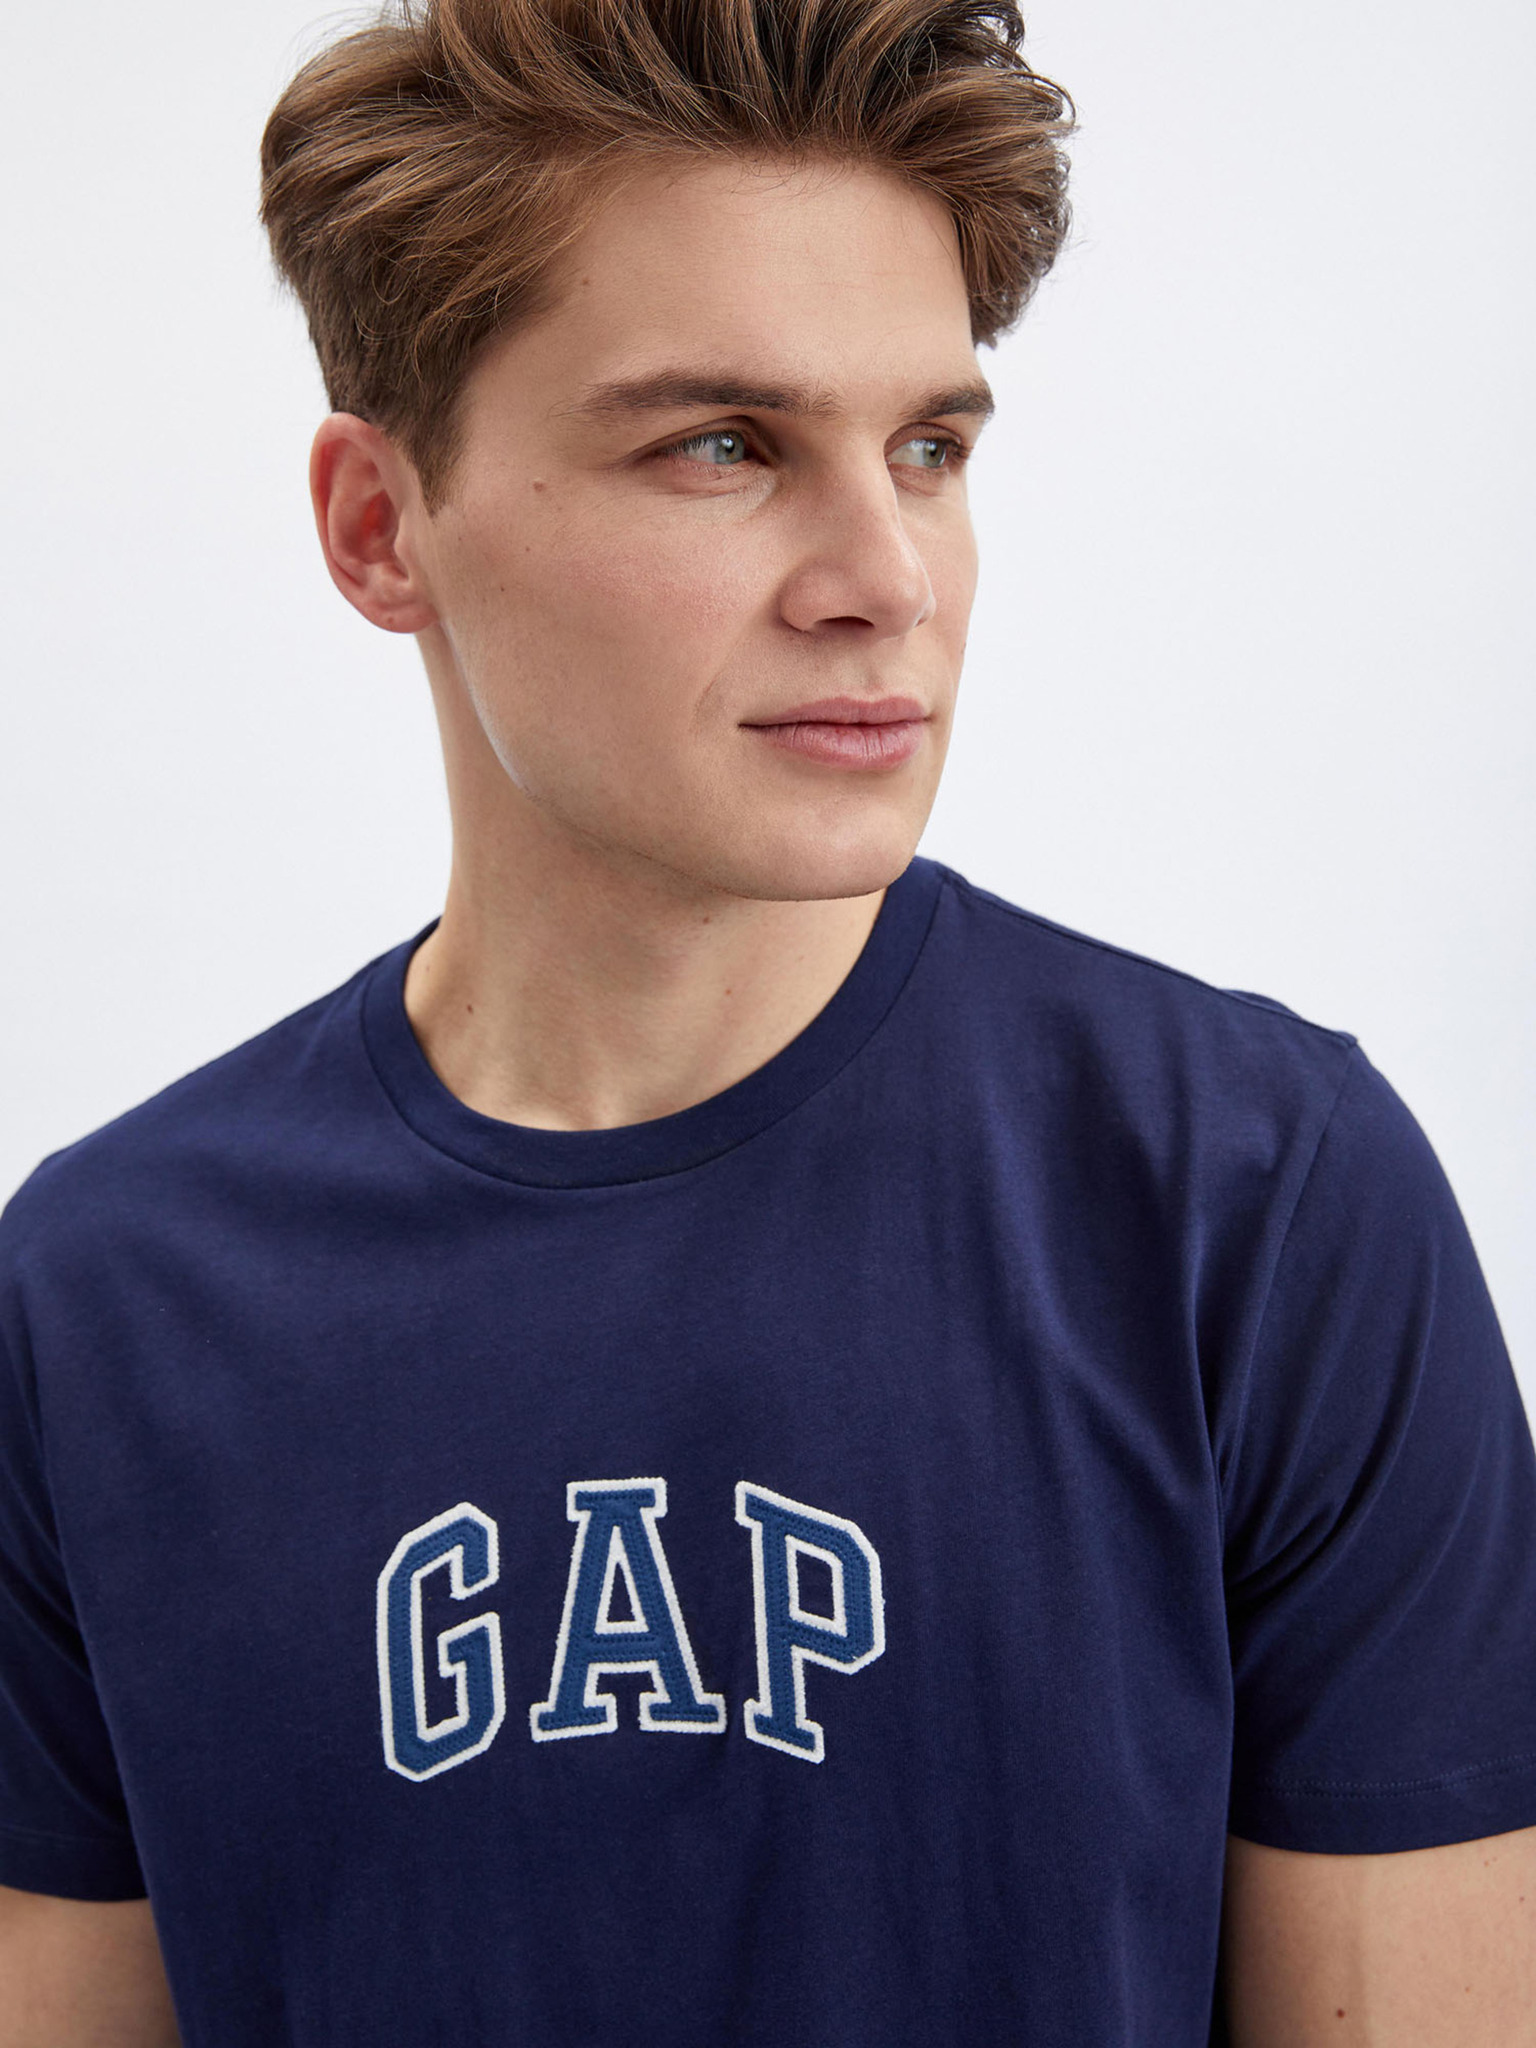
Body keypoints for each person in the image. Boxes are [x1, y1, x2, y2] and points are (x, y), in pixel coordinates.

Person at [2, 0, 1533, 2040]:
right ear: (381, 525)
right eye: (721, 445)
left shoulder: (1253, 1204)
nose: (887, 576)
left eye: (930, 448)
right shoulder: (98, 1303)